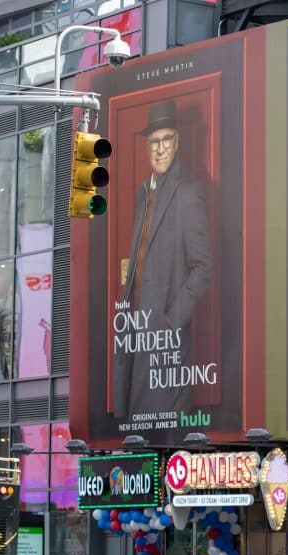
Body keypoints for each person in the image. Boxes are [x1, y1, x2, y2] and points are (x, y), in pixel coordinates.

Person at [113, 99, 213, 419]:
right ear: (146, 145)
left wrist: (172, 319)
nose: (159, 149)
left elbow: (203, 267)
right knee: (132, 423)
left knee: (159, 428)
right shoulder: (144, 193)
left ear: (177, 142)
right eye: (154, 141)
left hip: (164, 337)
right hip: (136, 330)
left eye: (166, 140)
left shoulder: (188, 193)